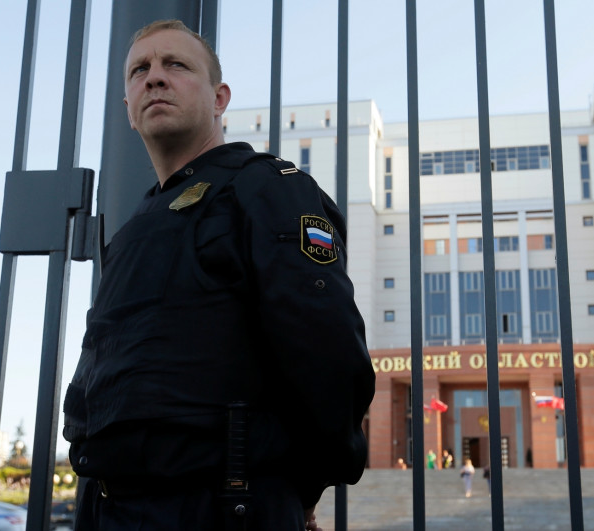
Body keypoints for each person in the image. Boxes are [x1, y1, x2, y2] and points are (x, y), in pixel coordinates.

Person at [62, 19, 375, 531]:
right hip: (109, 508)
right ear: (128, 110)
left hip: (224, 504)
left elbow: (328, 350)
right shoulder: (135, 227)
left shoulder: (267, 188)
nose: (154, 78)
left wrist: (305, 485)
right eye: (139, 70)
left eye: (176, 65)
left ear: (219, 98)